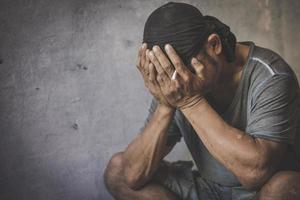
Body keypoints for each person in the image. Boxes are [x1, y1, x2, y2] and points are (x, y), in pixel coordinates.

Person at [104, 2, 300, 200]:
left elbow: (256, 174)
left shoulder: (271, 76)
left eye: (184, 72)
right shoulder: (174, 85)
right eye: (168, 76)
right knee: (117, 172)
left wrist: (190, 102)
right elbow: (132, 175)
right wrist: (166, 103)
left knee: (284, 188)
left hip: (258, 193)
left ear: (214, 45)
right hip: (208, 188)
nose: (179, 83)